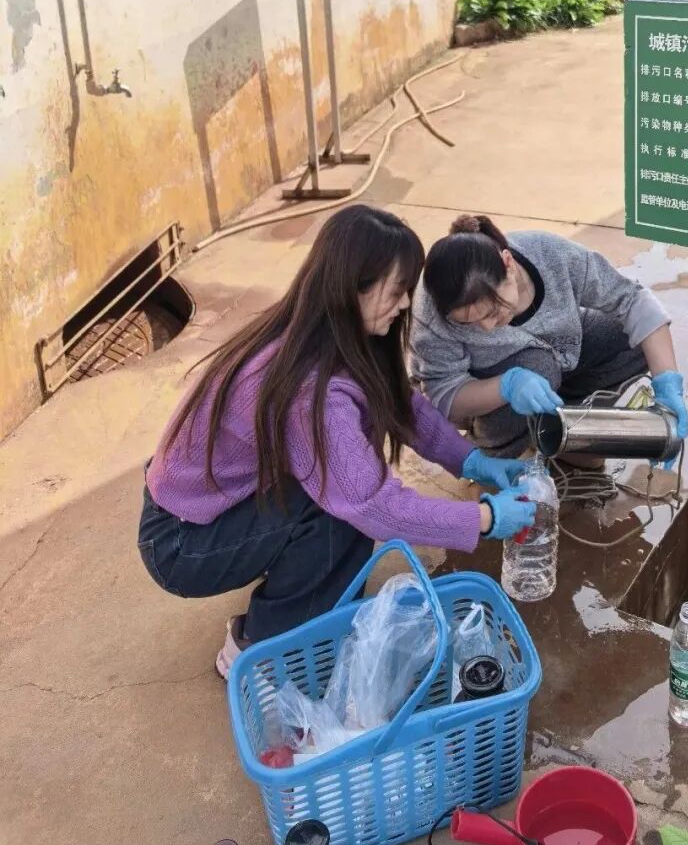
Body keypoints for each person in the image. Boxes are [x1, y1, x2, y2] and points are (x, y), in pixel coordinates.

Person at [138, 206, 534, 679]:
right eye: (395, 291)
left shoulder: (330, 332)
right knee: (341, 513)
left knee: (342, 498)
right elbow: (373, 504)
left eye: (407, 291)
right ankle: (255, 647)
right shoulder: (310, 393)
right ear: (352, 288)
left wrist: (471, 460)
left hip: (210, 510)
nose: (405, 305)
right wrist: (485, 519)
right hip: (183, 544)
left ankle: (300, 601)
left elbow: (402, 404)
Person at [410, 215, 688, 458]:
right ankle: (496, 452)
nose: (485, 327)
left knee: (634, 338)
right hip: (486, 384)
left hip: (559, 352)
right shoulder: (431, 310)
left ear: (507, 263)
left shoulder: (549, 254)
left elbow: (633, 301)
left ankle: (569, 428)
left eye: (493, 311)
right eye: (470, 323)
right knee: (539, 367)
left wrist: (667, 384)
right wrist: (506, 386)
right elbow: (442, 394)